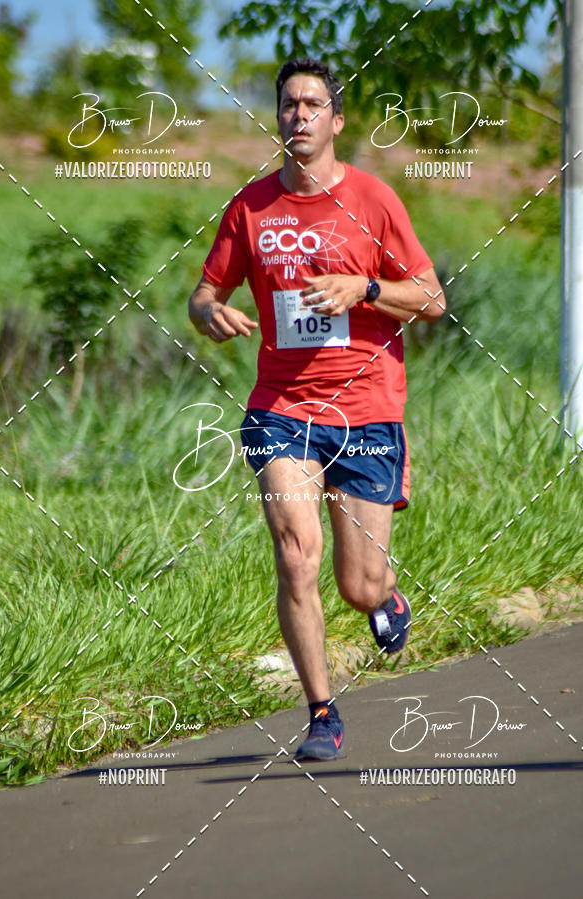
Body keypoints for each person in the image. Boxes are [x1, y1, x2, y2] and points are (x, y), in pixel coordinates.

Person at [189, 58, 445, 762]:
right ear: (278, 117)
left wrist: (363, 288)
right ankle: (322, 712)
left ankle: (385, 594)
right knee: (297, 555)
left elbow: (431, 298)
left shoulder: (373, 199)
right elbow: (206, 291)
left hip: (365, 411)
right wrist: (210, 313)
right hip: (282, 407)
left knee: (356, 584)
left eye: (312, 104)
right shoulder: (251, 206)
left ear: (336, 120)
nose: (298, 114)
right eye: (288, 104)